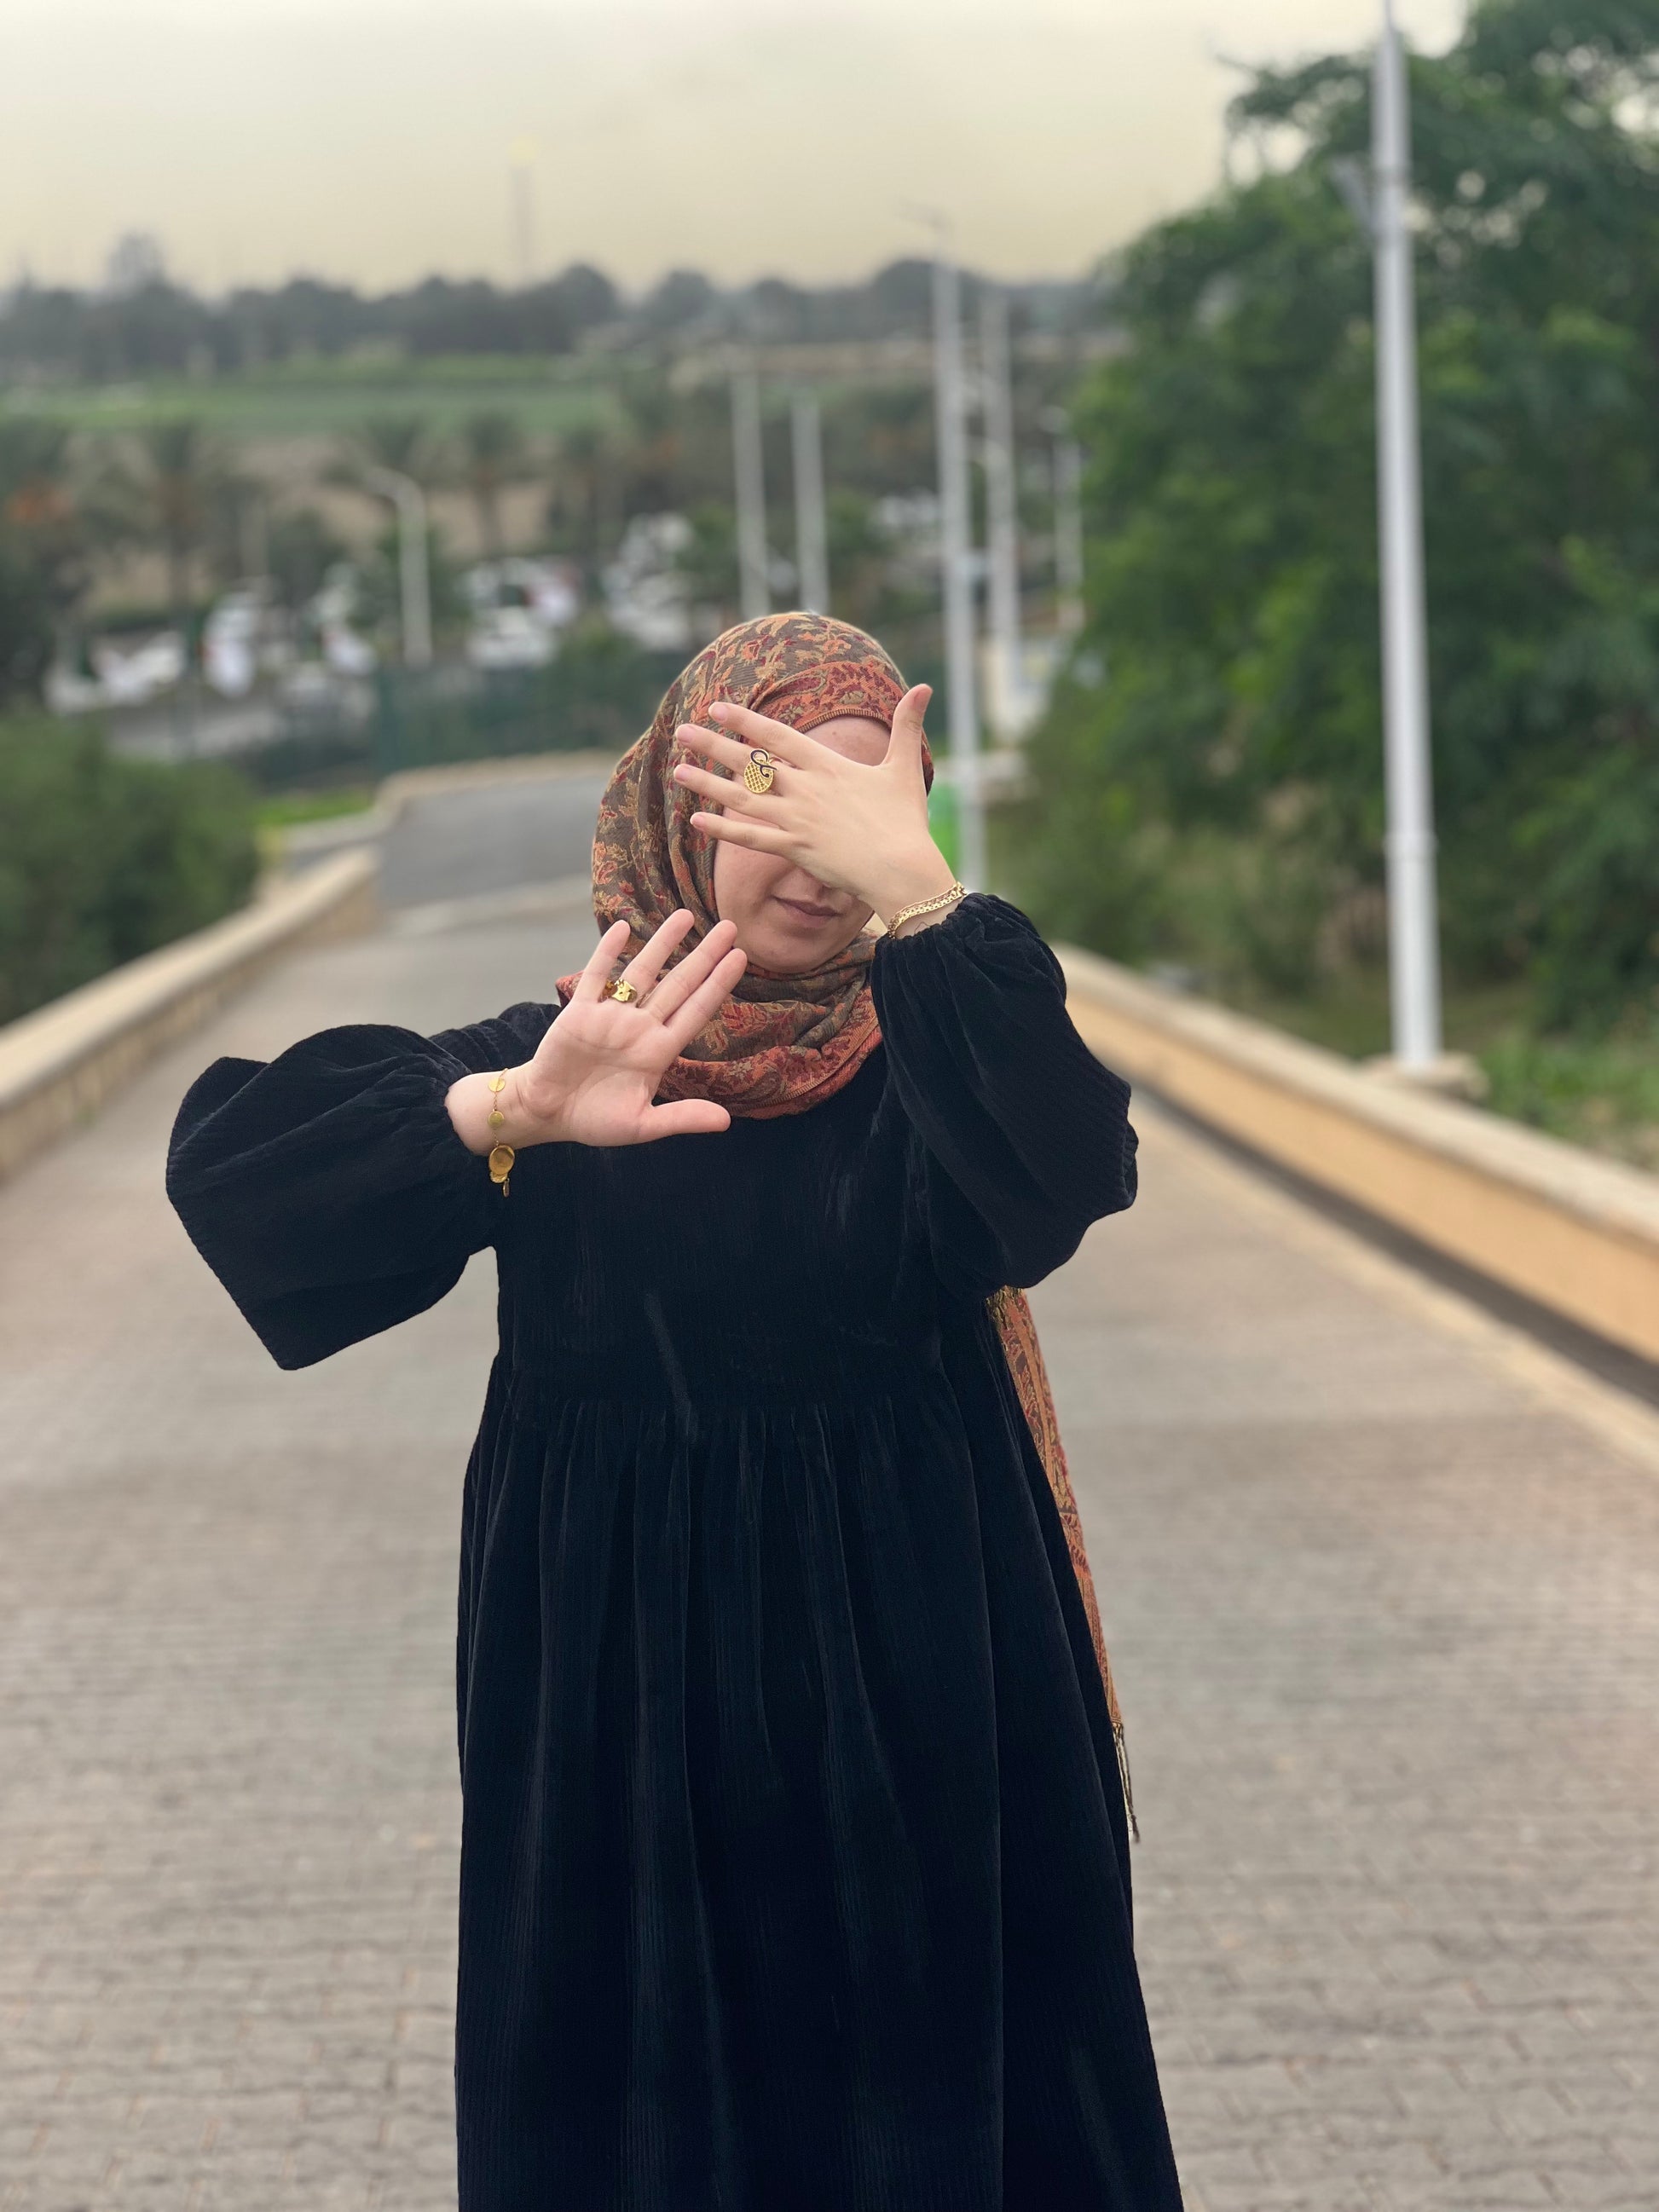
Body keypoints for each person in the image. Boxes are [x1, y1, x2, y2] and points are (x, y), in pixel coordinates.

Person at [167, 612, 1186, 2212]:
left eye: (849, 805)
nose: (808, 855)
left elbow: (1070, 1168)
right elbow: (240, 1177)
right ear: (673, 808)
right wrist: (510, 1113)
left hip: (919, 1702)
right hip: (624, 1722)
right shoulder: (577, 1055)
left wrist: (929, 904)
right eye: (760, 793)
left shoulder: (932, 1065)